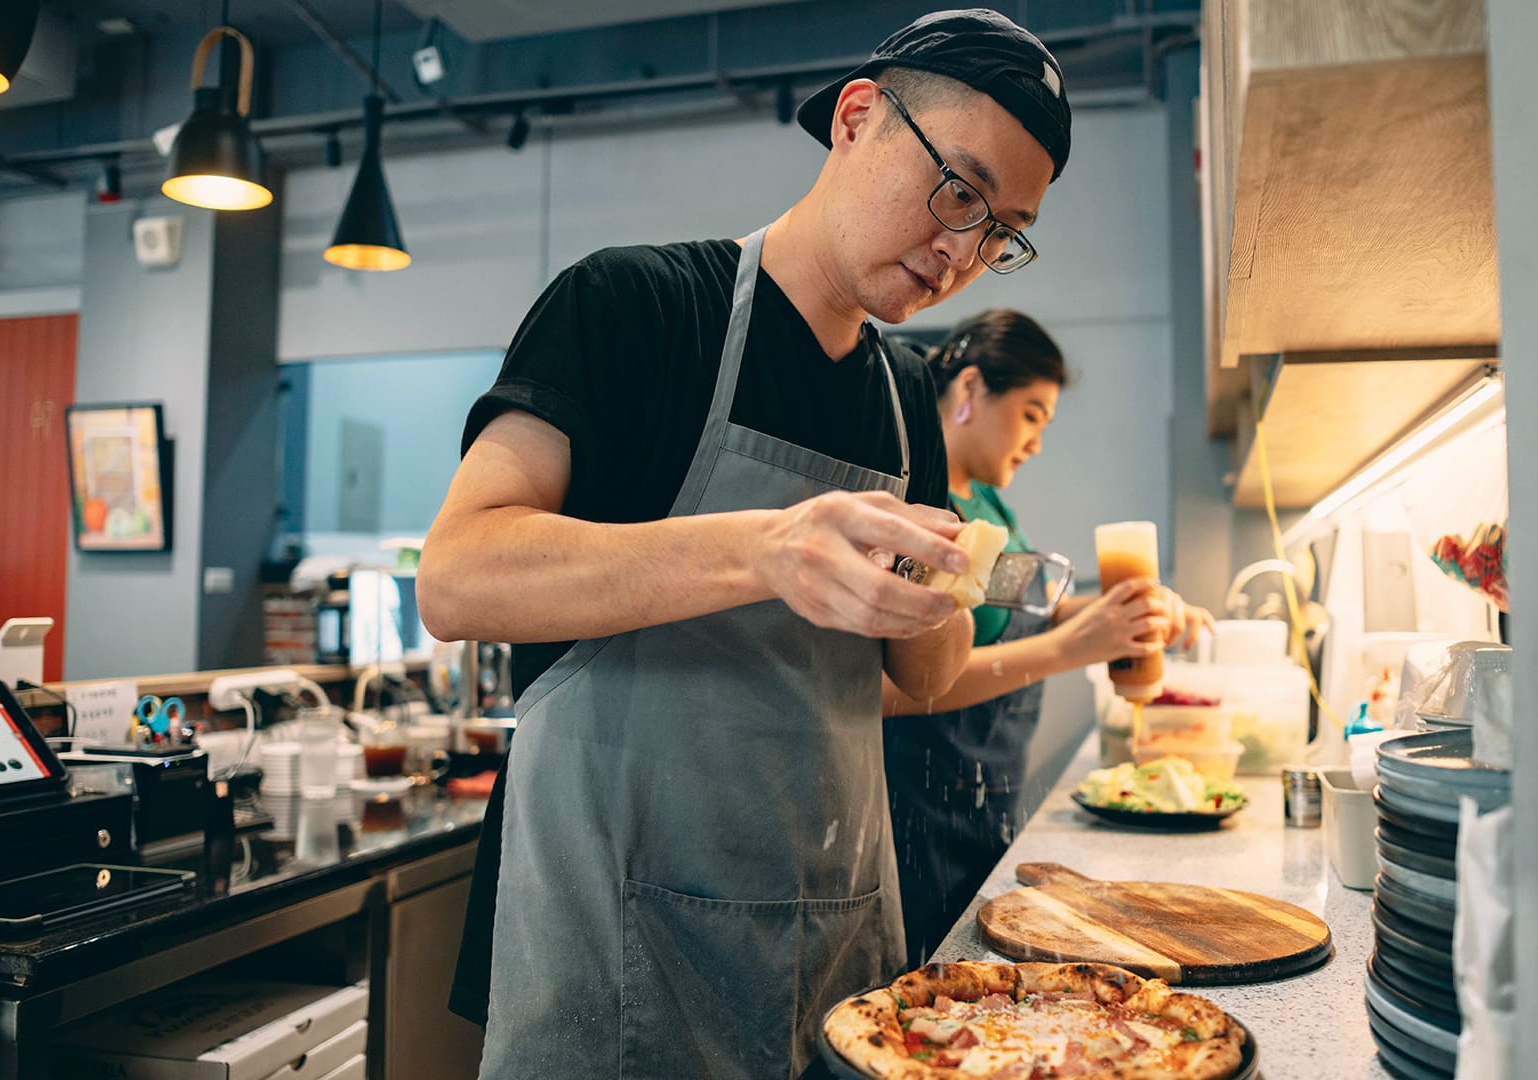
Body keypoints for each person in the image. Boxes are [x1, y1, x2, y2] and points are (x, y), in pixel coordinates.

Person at [417, 10, 1074, 1078]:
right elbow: (455, 577)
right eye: (958, 190)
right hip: (619, 958)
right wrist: (768, 550)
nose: (964, 250)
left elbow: (925, 676)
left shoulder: (910, 403)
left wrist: (945, 584)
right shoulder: (633, 309)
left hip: (834, 964)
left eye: (1003, 230)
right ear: (858, 118)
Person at [880, 309, 1213, 965]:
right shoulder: (921, 509)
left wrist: (1131, 614)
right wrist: (1073, 651)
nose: (1036, 442)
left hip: (980, 793)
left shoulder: (989, 506)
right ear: (970, 390)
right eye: (1031, 414)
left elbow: (1042, 606)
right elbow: (893, 691)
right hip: (917, 802)